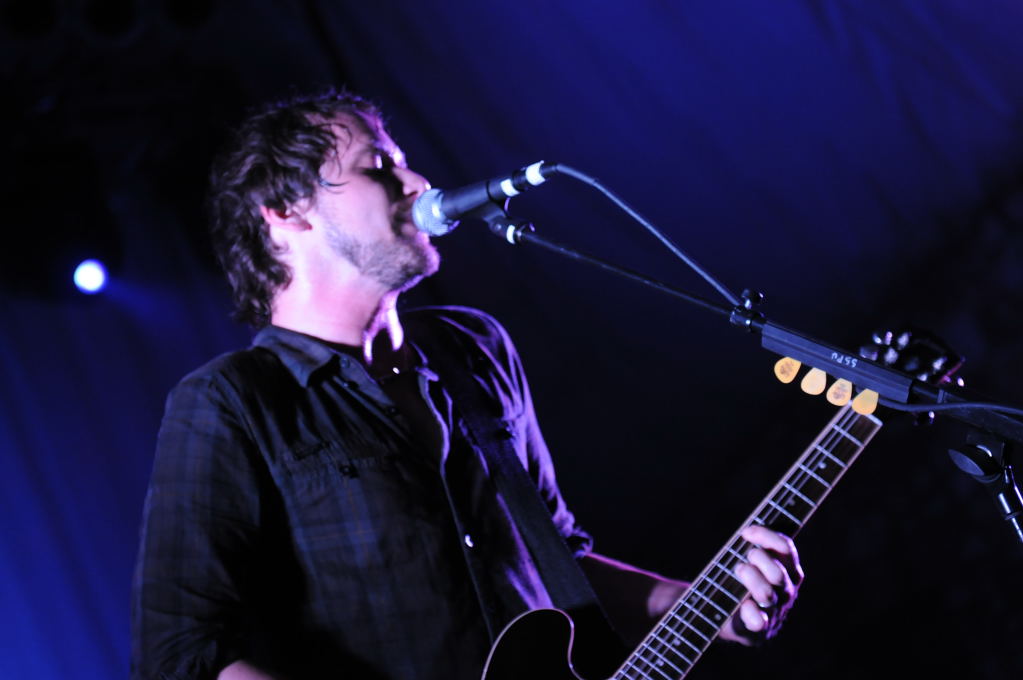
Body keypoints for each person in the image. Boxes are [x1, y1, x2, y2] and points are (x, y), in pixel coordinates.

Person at [131, 90, 803, 680]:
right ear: (286, 211)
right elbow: (181, 656)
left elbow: (556, 561)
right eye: (378, 166)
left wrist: (702, 604)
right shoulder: (232, 401)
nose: (417, 181)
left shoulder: (473, 347)